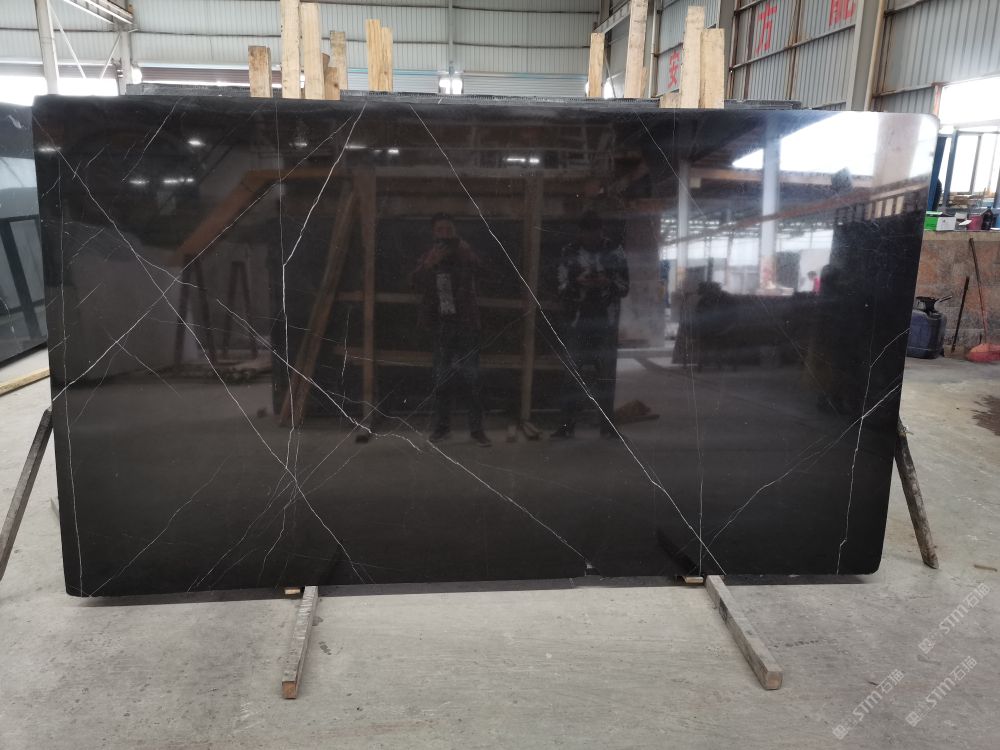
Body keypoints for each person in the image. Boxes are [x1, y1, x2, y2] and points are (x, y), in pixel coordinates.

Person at [411, 213, 491, 447]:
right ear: (433, 233)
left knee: (472, 378)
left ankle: (476, 430)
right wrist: (429, 264)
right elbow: (413, 282)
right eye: (440, 230)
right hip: (440, 325)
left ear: (456, 232)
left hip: (466, 324)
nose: (445, 234)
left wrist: (468, 254)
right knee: (441, 378)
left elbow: (486, 273)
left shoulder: (466, 253)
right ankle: (442, 428)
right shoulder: (429, 256)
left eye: (449, 230)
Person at [551, 211, 629, 438]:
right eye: (588, 234)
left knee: (606, 374)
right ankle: (567, 426)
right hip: (577, 320)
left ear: (602, 232)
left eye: (596, 234)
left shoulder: (615, 251)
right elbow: (559, 286)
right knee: (572, 374)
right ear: (581, 233)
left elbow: (625, 287)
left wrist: (607, 283)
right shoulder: (569, 252)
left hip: (606, 322)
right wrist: (577, 283)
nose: (592, 239)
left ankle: (607, 427)